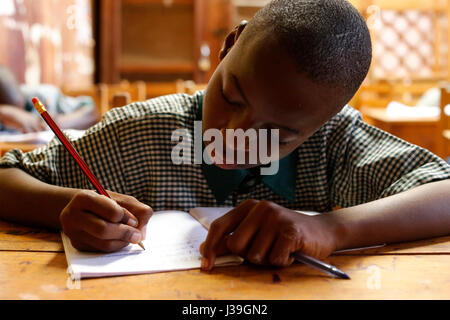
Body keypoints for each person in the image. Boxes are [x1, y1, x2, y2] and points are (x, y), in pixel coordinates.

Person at [0, 0, 449, 271]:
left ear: (325, 121)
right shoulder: (144, 134)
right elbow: (7, 175)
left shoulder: (334, 144)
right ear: (229, 47)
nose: (235, 134)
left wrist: (329, 229)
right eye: (233, 97)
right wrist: (63, 207)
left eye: (277, 133)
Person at [0, 65, 99, 133]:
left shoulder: (44, 95)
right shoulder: (3, 113)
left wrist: (57, 123)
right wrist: (4, 113)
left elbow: (92, 112)